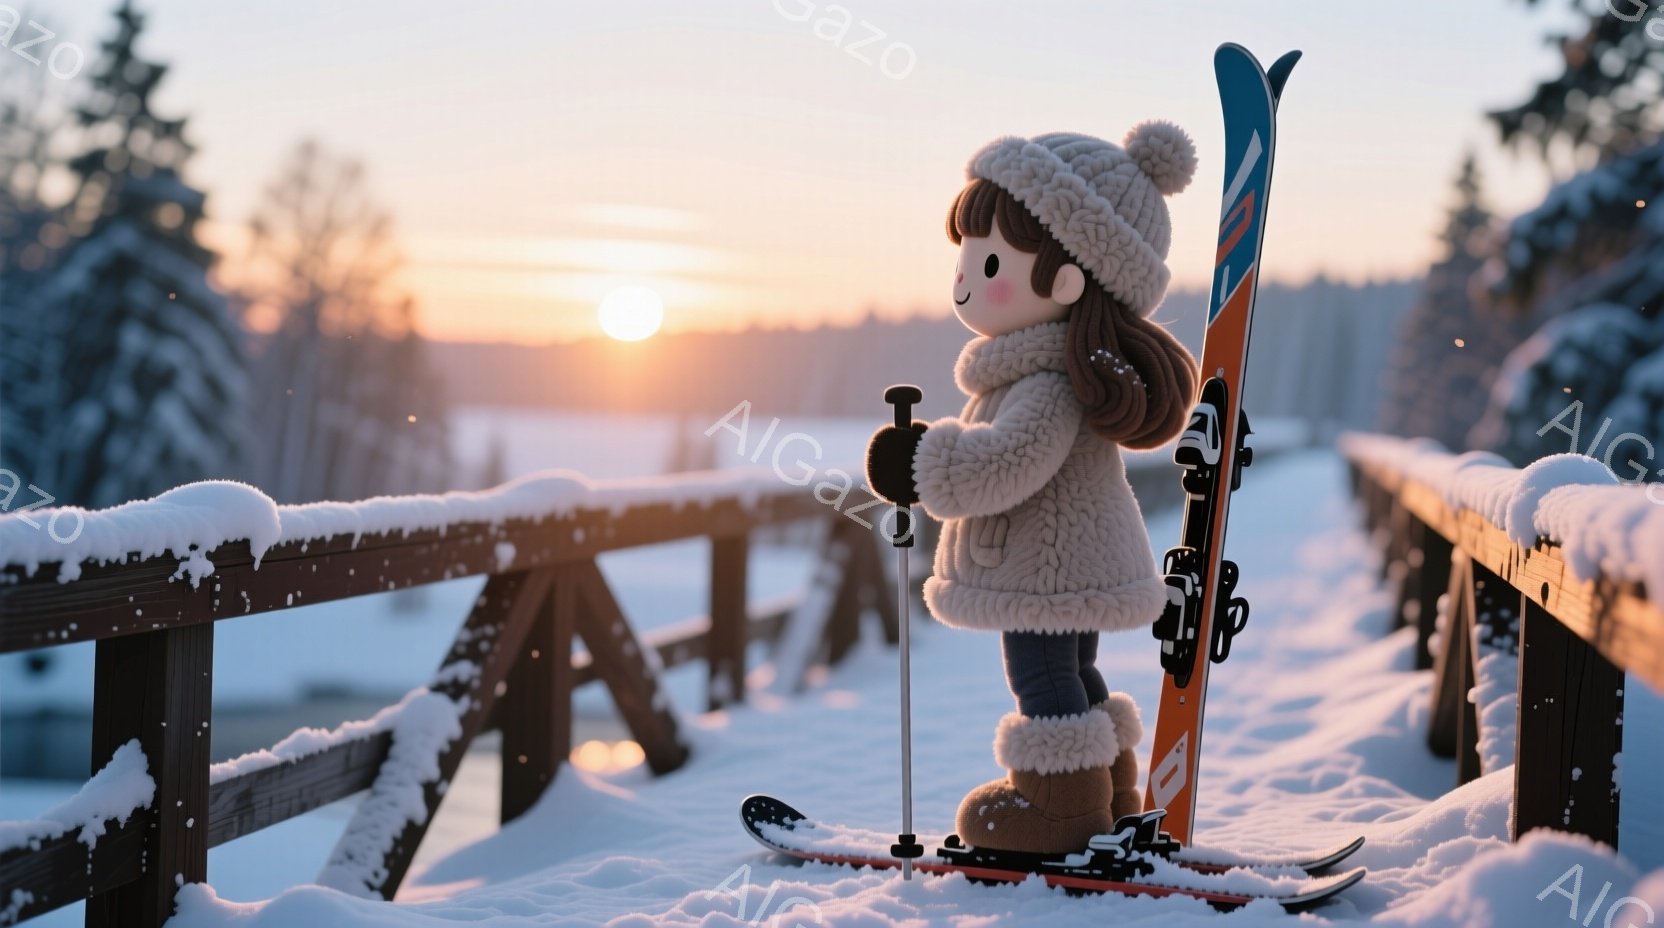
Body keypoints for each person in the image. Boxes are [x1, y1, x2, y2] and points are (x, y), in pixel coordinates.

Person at [866, 125, 1201, 854]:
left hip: (1046, 566)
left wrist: (921, 460)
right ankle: (1104, 794)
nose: (965, 278)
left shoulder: (1046, 383)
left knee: (1041, 674)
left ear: (1071, 279)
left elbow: (1007, 462)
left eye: (990, 261)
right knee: (1071, 669)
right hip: (1068, 560)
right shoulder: (1052, 369)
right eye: (967, 256)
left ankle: (1058, 809)